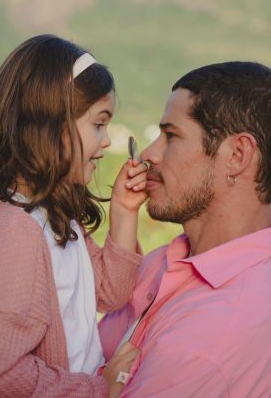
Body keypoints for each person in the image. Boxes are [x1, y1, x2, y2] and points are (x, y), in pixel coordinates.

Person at [0, 35, 148, 397]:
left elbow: (110, 292)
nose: (106, 141)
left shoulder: (56, 216)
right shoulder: (15, 231)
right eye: (98, 124)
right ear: (54, 125)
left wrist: (123, 210)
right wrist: (96, 389)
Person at [100, 61, 271, 397]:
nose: (149, 154)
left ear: (237, 155)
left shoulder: (213, 334)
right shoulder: (162, 260)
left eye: (171, 135)